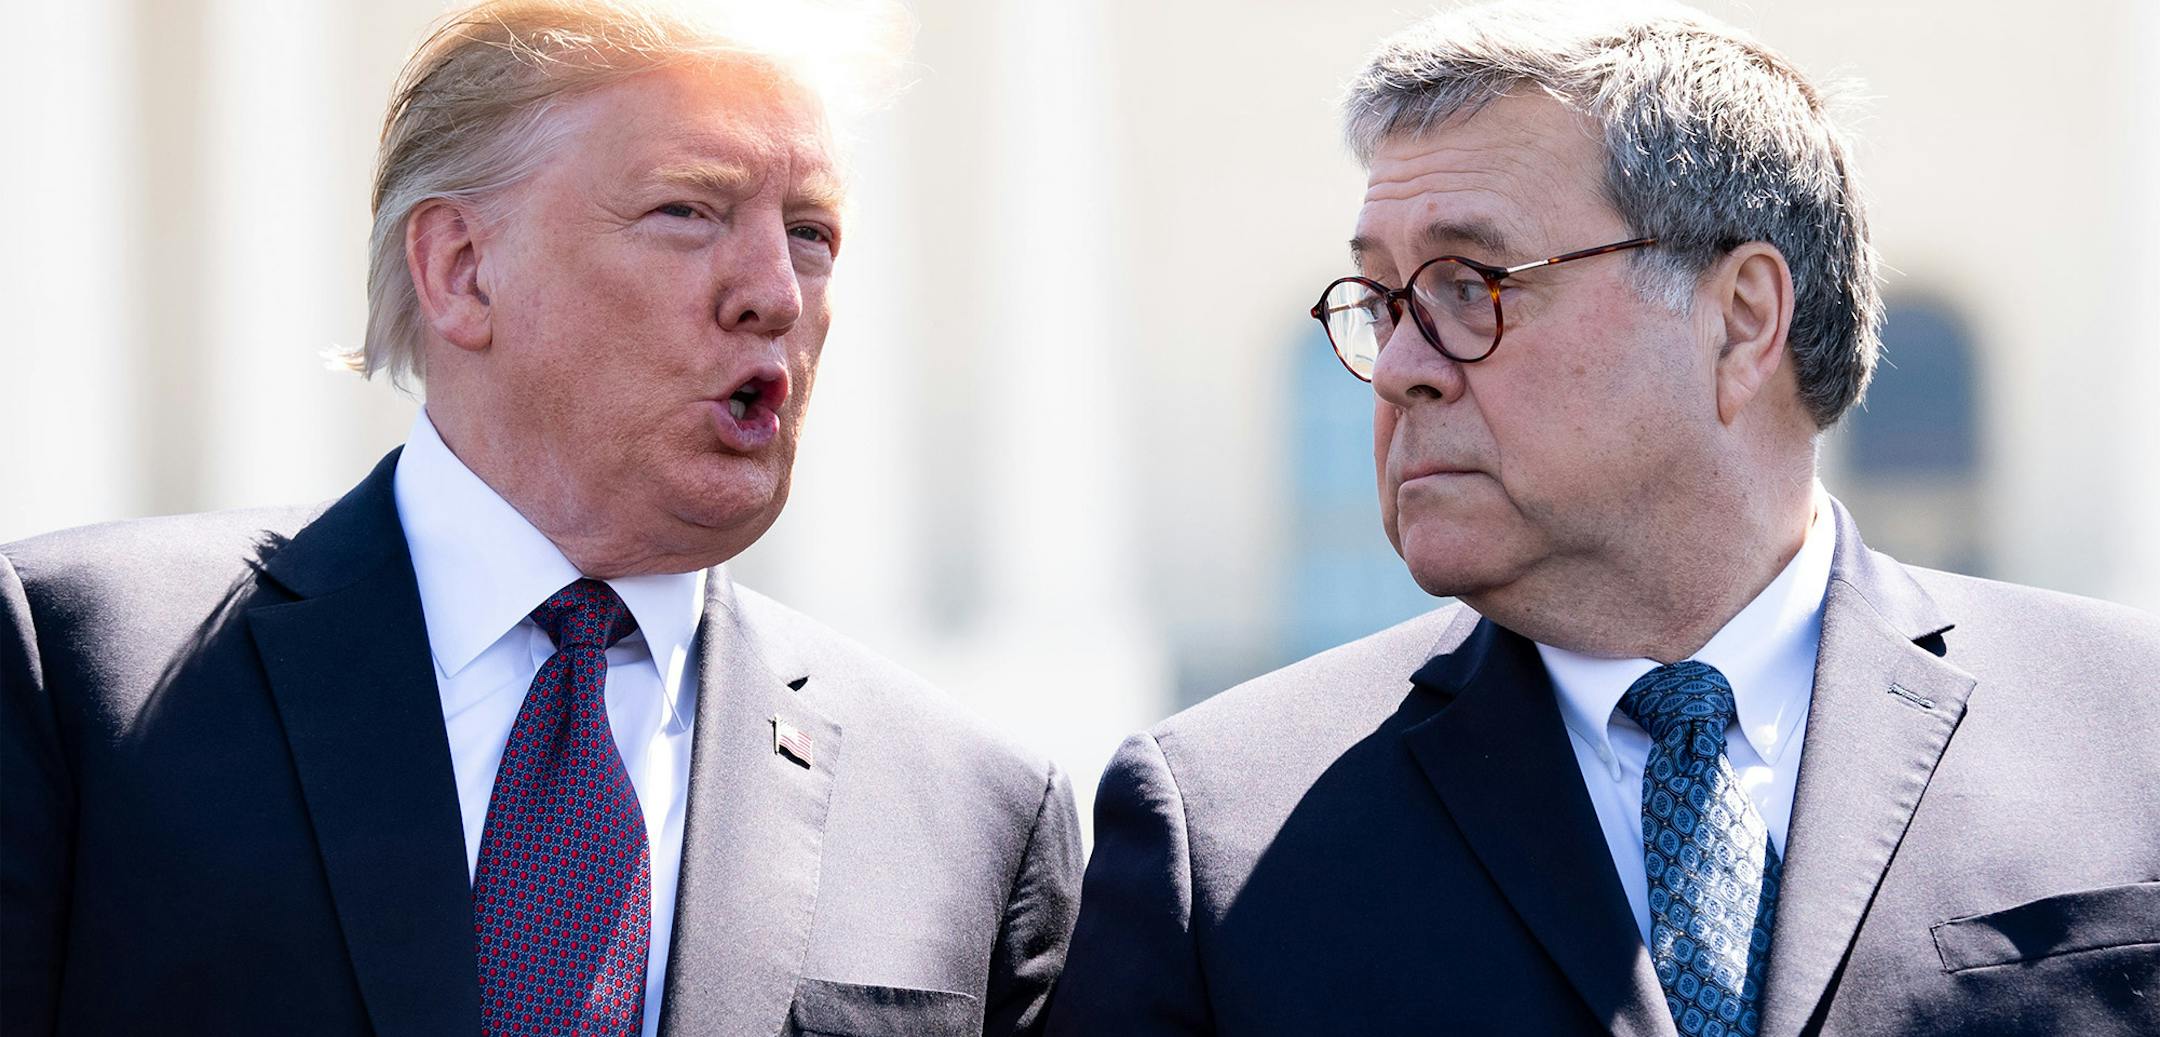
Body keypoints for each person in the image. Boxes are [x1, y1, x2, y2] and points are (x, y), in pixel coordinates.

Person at [1047, 4, 2160, 1035]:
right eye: (1384, 300)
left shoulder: (2130, 729)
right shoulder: (1222, 833)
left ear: (1741, 318)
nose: (1397, 369)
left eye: (1470, 283)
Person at [0, 3, 1081, 1034]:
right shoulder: (75, 675)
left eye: (810, 232)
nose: (776, 292)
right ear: (461, 270)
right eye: (689, 209)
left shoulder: (973, 812)